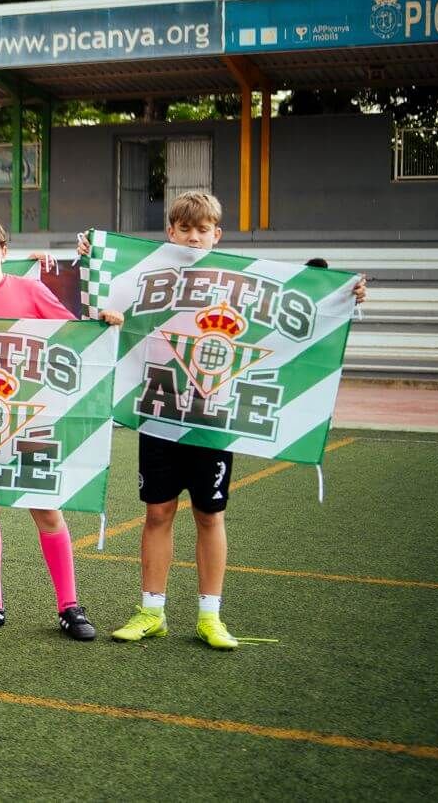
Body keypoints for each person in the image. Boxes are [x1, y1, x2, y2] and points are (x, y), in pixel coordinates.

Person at [79, 193, 367, 650]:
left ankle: (210, 615)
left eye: (202, 230)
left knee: (210, 515)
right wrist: (94, 266)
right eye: (184, 229)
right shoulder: (145, 276)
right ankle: (151, 611)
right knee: (157, 512)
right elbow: (107, 310)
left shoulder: (240, 281)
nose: (193, 238)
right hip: (159, 409)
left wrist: (344, 295)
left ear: (217, 234)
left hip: (214, 416)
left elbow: (298, 316)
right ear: (170, 232)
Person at [0, 216, 119, 640]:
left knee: (47, 510)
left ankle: (69, 607)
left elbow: (73, 335)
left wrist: (103, 322)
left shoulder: (30, 291)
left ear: (4, 251)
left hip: (33, 419)